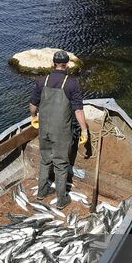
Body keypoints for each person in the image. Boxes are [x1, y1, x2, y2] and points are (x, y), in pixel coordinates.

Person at [28, 50, 89, 207]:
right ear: (67, 65)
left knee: (45, 160)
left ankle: (41, 192)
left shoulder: (42, 80)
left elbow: (33, 105)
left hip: (44, 129)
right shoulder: (72, 83)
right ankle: (61, 200)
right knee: (61, 165)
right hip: (62, 132)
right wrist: (84, 129)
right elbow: (78, 110)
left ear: (52, 64)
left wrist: (34, 117)